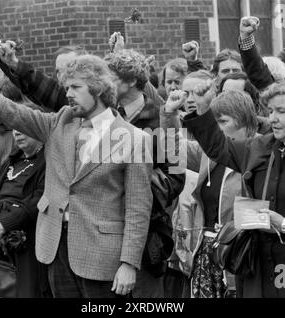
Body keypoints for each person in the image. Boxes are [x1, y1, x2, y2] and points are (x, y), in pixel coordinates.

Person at [0, 52, 153, 298]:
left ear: (99, 88)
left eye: (76, 87)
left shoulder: (135, 139)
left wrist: (129, 263)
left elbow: (138, 209)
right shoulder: (60, 122)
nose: (68, 93)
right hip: (54, 250)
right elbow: (10, 111)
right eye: (66, 87)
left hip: (102, 257)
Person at [179, 80, 285, 297]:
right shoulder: (260, 147)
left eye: (281, 111)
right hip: (260, 268)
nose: (273, 119)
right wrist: (204, 108)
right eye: (270, 111)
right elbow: (217, 147)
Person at [162, 89, 260, 298]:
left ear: (244, 122)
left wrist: (232, 230)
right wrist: (169, 115)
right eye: (213, 122)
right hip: (205, 255)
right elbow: (175, 151)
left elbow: (261, 213)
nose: (214, 129)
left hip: (241, 258)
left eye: (222, 121)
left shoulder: (261, 151)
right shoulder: (209, 153)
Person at [105, 48, 185, 298]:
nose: (104, 84)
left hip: (146, 238)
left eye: (111, 78)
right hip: (106, 236)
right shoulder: (105, 119)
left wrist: (140, 182)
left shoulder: (160, 119)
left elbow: (177, 177)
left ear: (131, 82)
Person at [0, 129, 49, 297]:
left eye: (24, 129)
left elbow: (37, 202)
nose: (18, 134)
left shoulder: (49, 161)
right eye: (15, 130)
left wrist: (1, 227)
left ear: (38, 127)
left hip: (28, 242)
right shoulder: (12, 160)